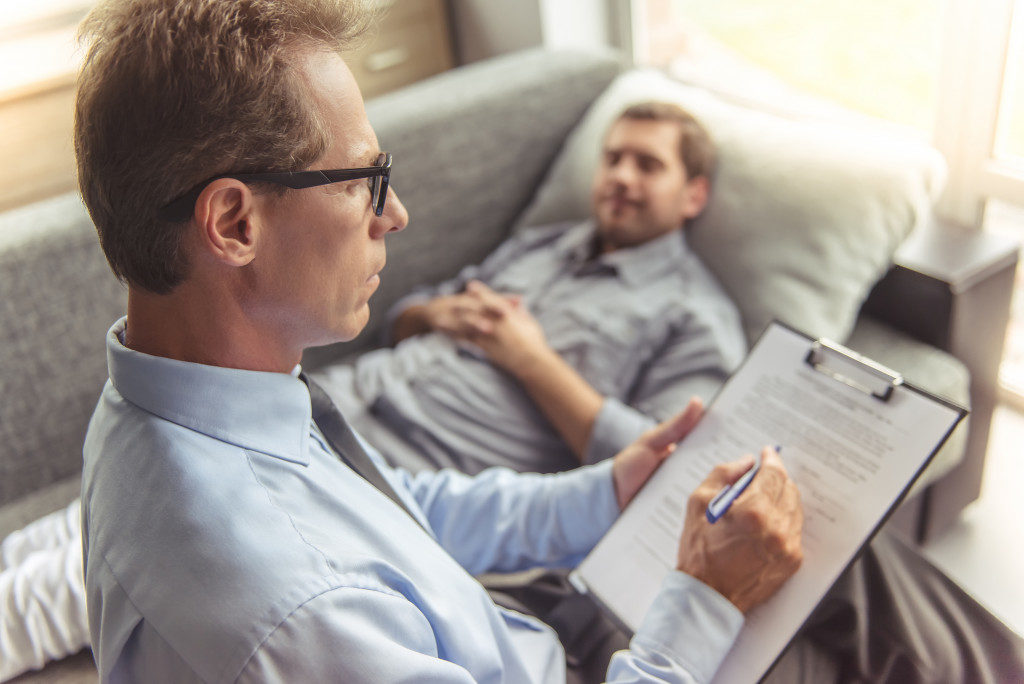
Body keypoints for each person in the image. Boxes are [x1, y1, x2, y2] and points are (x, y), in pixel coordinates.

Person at [73, 0, 805, 681]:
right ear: (235, 224)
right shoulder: (307, 616)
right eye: (366, 178)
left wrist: (605, 491)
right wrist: (705, 601)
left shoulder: (153, 405)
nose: (397, 216)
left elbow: (395, 515)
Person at [316, 100, 746, 475]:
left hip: (408, 465)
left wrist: (534, 362)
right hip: (334, 393)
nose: (621, 176)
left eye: (647, 165)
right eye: (612, 159)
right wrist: (433, 314)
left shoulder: (697, 318)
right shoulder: (541, 243)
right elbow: (394, 325)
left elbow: (665, 464)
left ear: (694, 195)